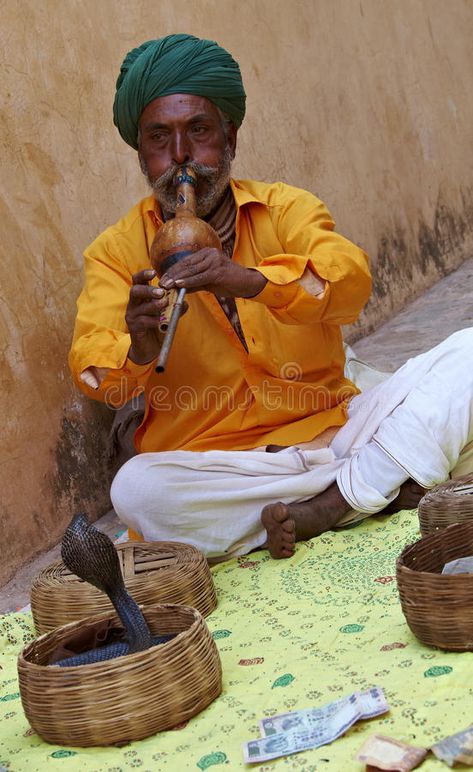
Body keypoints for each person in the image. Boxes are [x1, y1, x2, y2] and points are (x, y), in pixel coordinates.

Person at [69, 33, 473, 561]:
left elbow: (351, 282)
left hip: (338, 431)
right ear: (142, 154)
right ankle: (381, 483)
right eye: (159, 139)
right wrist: (140, 347)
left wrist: (245, 279)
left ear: (230, 138)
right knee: (137, 491)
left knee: (467, 354)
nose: (182, 156)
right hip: (228, 469)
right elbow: (94, 370)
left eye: (199, 131)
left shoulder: (286, 207)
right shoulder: (115, 251)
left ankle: (327, 506)